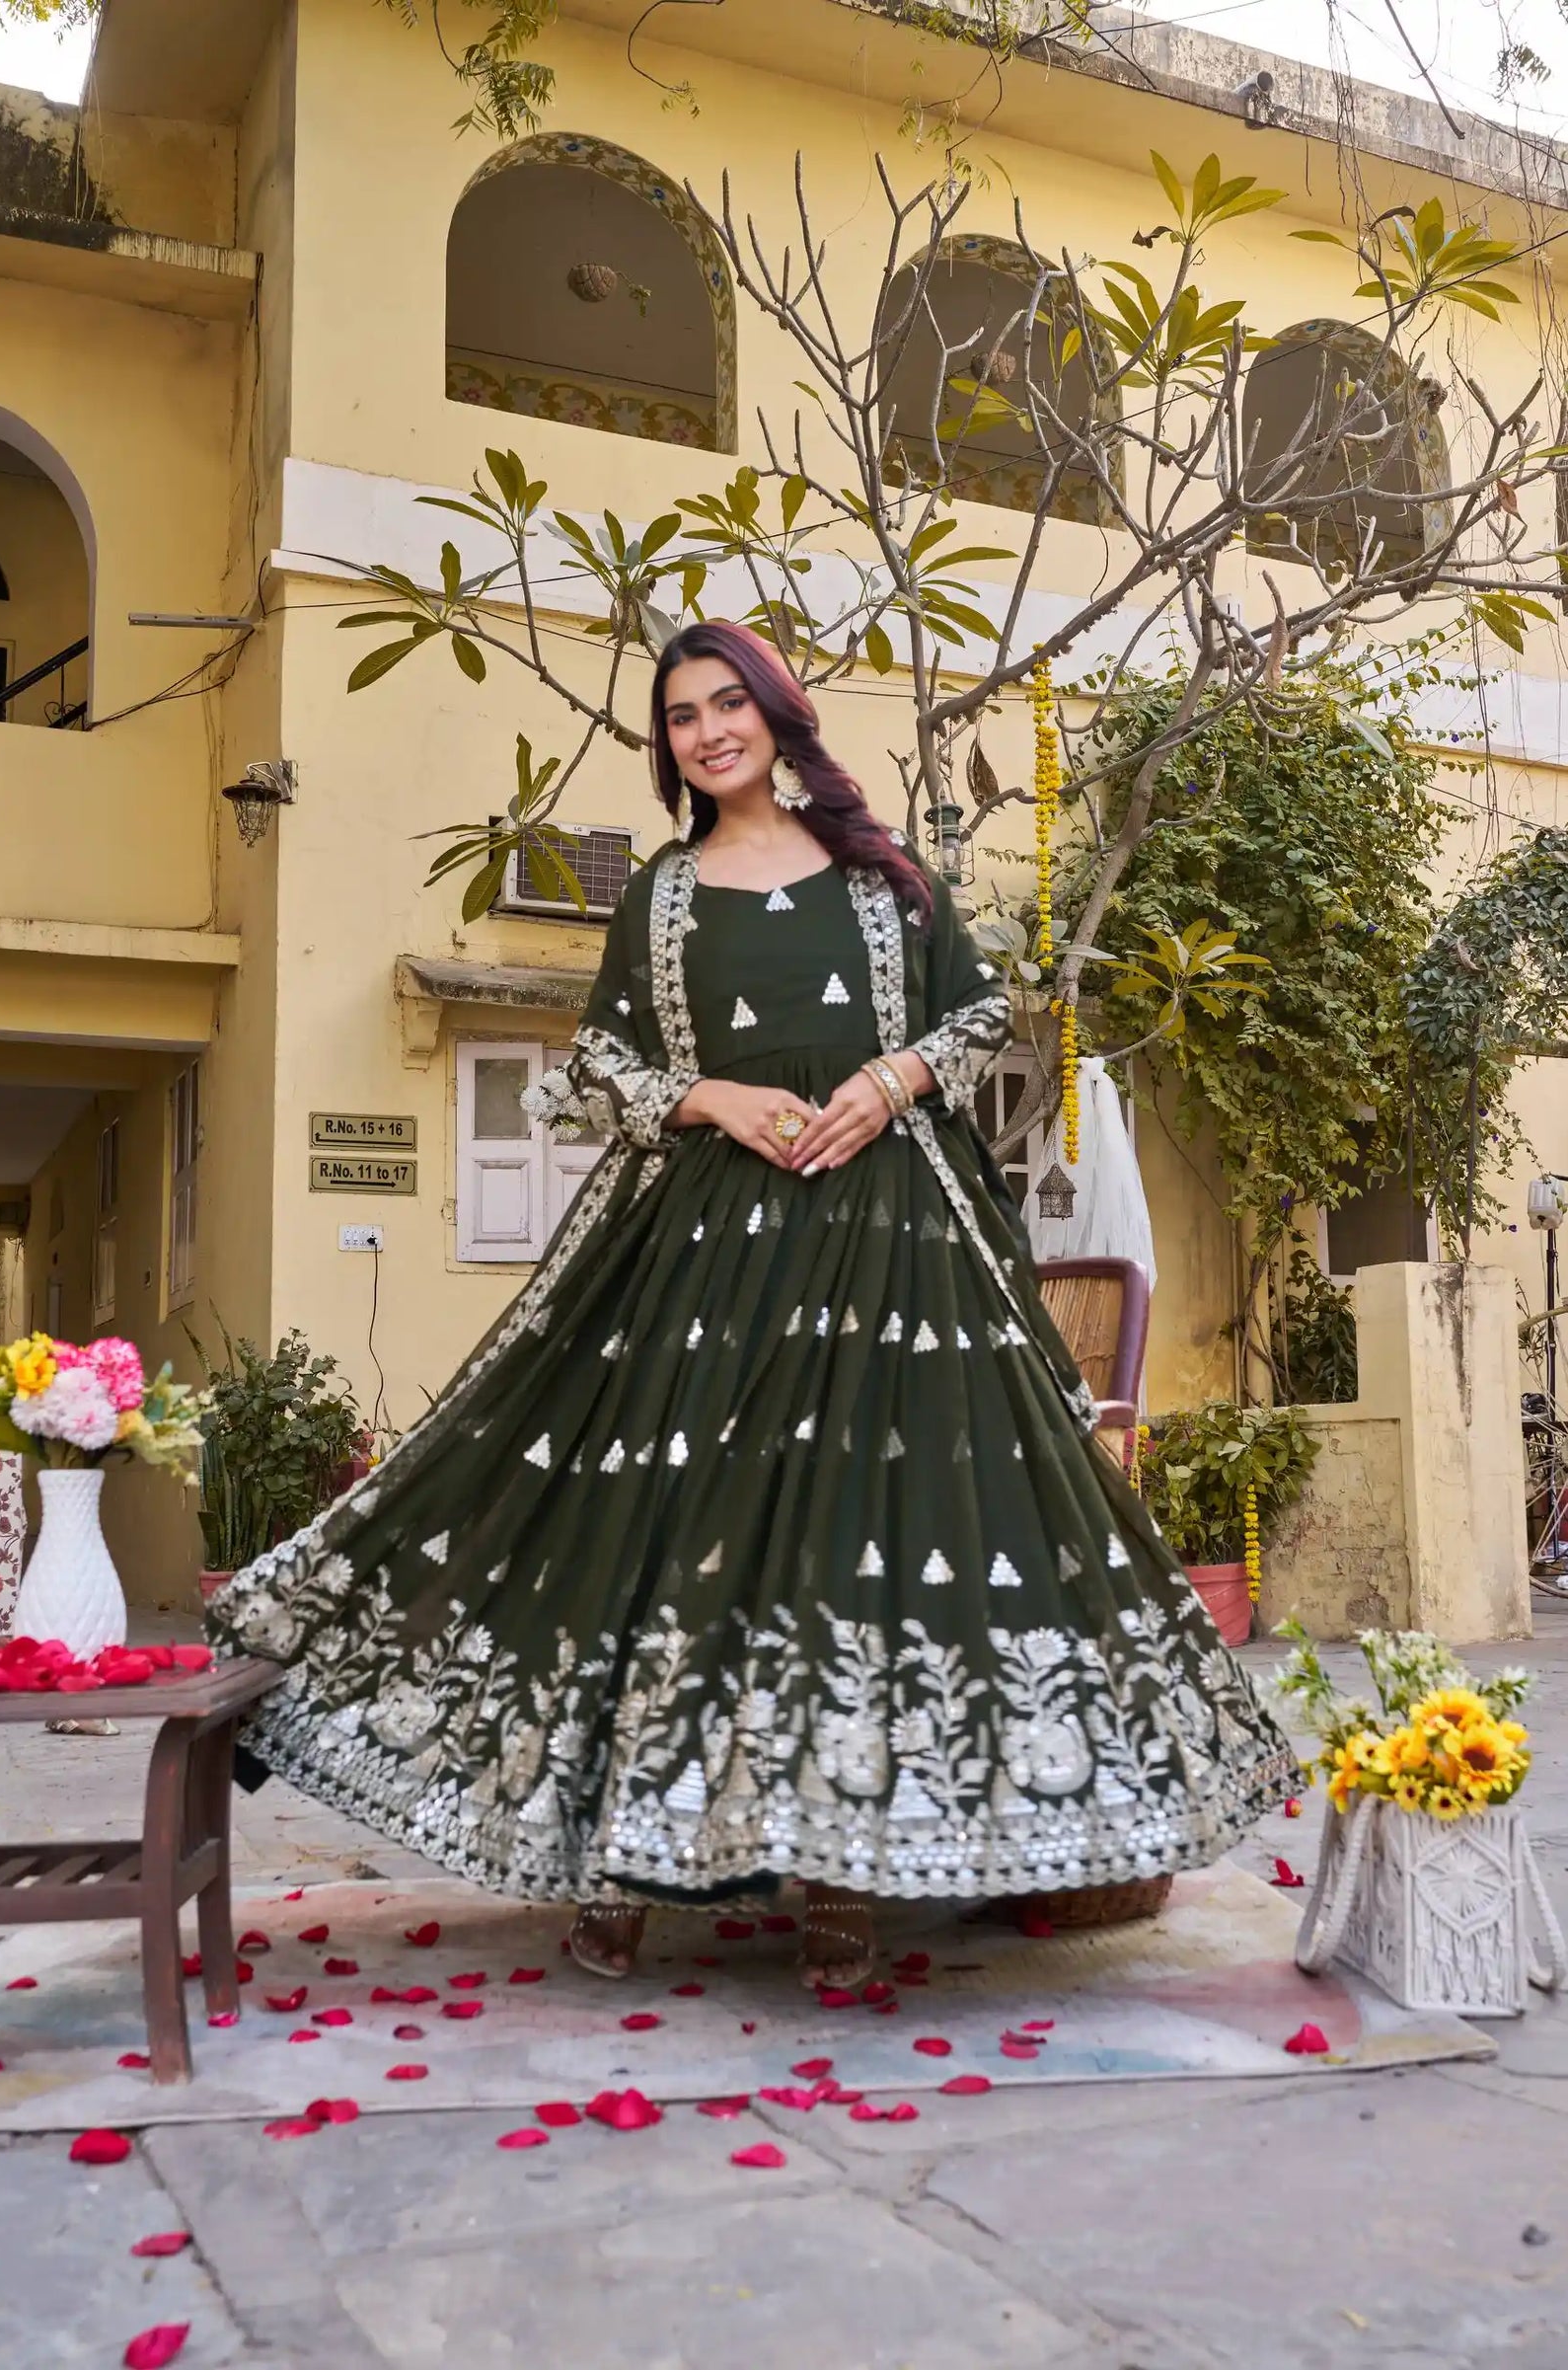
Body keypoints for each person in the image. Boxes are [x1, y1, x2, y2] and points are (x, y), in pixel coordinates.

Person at [206, 619, 1295, 1988]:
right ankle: (626, 1859)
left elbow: (975, 1017)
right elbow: (601, 1063)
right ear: (666, 744)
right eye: (682, 715)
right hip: (709, 1254)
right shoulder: (662, 895)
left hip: (890, 1247)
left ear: (779, 713)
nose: (710, 730)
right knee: (670, 1529)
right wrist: (710, 1095)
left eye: (730, 702)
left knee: (859, 1537)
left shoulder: (883, 879)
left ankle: (843, 1874)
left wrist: (885, 1086)